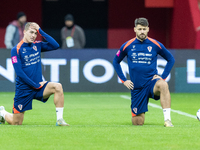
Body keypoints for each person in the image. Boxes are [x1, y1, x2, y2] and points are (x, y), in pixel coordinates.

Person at [0, 22, 69, 126]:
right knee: (16, 123)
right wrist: (35, 85)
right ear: (24, 32)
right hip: (24, 89)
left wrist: (40, 30)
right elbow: (19, 73)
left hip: (39, 86)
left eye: (35, 33)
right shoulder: (16, 49)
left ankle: (59, 120)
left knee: (58, 87)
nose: (33, 35)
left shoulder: (37, 45)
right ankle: (3, 113)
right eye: (31, 32)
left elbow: (56, 45)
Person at [113, 18, 175, 127]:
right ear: (135, 30)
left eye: (144, 29)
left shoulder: (155, 44)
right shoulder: (127, 45)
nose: (142, 31)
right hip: (137, 87)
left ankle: (167, 120)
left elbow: (171, 59)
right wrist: (124, 80)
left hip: (152, 83)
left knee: (163, 84)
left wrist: (163, 77)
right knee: (138, 123)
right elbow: (116, 61)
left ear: (148, 29)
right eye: (140, 29)